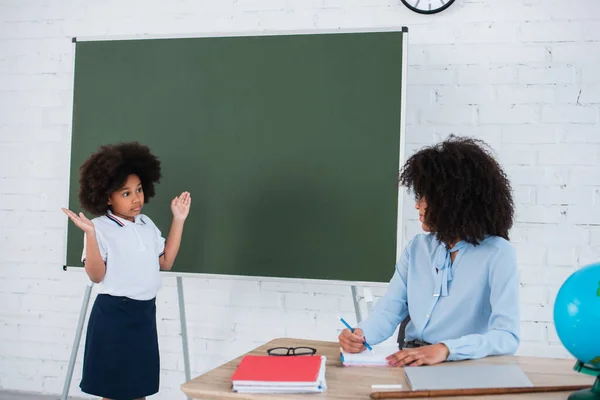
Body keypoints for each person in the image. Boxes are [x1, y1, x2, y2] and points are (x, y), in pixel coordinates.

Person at [338, 135, 520, 367]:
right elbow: (388, 310)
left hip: (462, 364)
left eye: (426, 197)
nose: (417, 204)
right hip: (410, 359)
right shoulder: (416, 248)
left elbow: (507, 336)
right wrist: (360, 335)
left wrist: (446, 349)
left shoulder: (497, 253)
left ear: (454, 201)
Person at [61, 142, 191, 400]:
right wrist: (90, 234)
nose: (136, 199)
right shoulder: (99, 227)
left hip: (144, 315)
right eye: (126, 193)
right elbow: (96, 275)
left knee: (138, 390)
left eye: (139, 190)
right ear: (107, 197)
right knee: (113, 391)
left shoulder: (145, 224)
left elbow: (165, 262)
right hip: (113, 316)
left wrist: (178, 219)